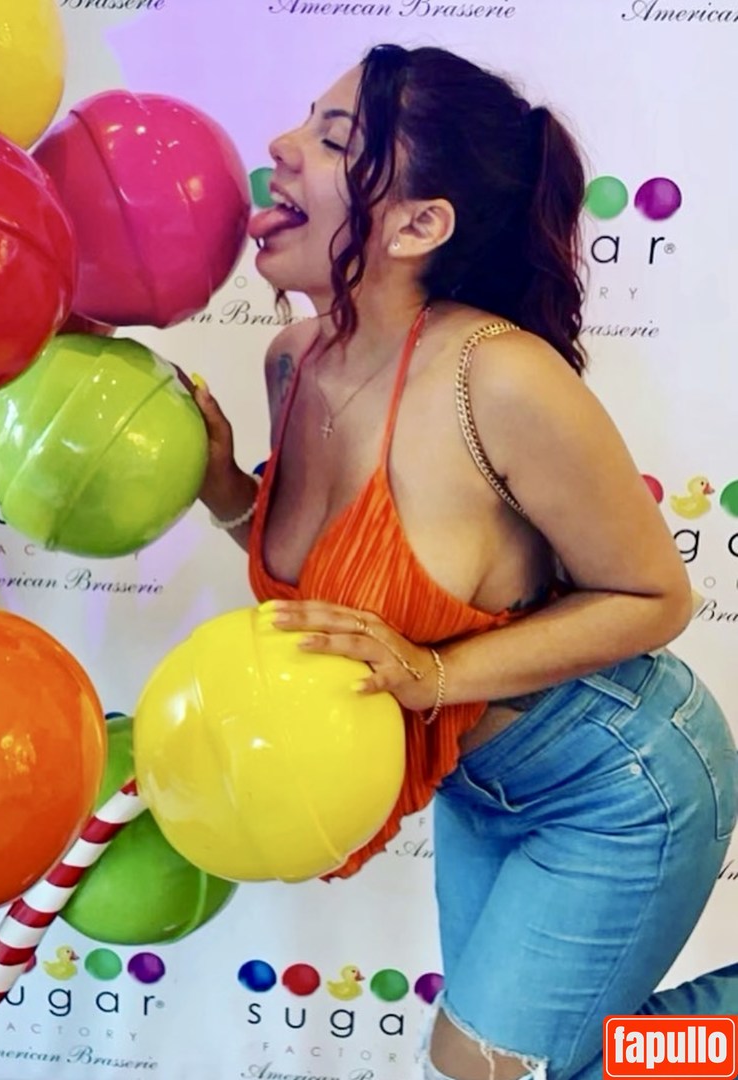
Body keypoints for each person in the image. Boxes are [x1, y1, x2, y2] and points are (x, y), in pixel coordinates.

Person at [189, 43, 738, 1080]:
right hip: (476, 785)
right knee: (536, 1066)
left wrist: (433, 673)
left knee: (484, 1067)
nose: (281, 147)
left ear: (416, 225)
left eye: (332, 139)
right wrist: (226, 491)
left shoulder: (496, 376)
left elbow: (654, 596)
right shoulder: (290, 363)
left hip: (614, 773)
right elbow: (333, 586)